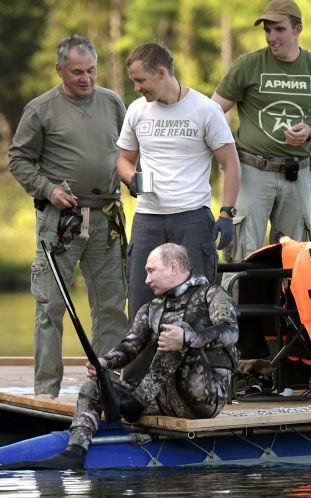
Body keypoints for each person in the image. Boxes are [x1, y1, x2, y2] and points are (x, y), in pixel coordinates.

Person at [34, 243, 238, 469]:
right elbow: (130, 345)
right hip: (163, 399)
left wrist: (187, 339)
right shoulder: (152, 307)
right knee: (93, 387)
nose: (146, 280)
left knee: (176, 329)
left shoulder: (213, 294)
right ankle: (75, 451)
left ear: (173, 267)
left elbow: (231, 332)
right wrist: (104, 362)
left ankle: (135, 402)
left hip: (206, 398)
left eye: (151, 271)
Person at [8, 34, 130, 399]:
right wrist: (49, 190)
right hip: (61, 222)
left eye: (91, 70)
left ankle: (107, 384)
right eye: (77, 72)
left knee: (111, 304)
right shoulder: (40, 109)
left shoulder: (113, 103)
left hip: (107, 217)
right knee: (51, 305)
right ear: (59, 70)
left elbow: (130, 152)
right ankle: (46, 391)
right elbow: (17, 160)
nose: (86, 78)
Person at [117, 42, 241, 321]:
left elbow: (230, 163)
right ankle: (139, 367)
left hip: (192, 219)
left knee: (196, 306)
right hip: (148, 219)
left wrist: (227, 213)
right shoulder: (137, 111)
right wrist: (131, 179)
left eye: (140, 80)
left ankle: (199, 366)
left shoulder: (206, 109)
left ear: (161, 73)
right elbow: (124, 160)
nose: (137, 87)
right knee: (140, 304)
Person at [212, 0, 311, 263]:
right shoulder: (248, 65)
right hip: (252, 172)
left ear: (298, 29)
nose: (272, 37)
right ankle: (238, 305)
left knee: (297, 258)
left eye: (279, 30)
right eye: (267, 30)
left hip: (297, 174)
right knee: (244, 256)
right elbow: (211, 113)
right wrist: (226, 154)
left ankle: (293, 305)